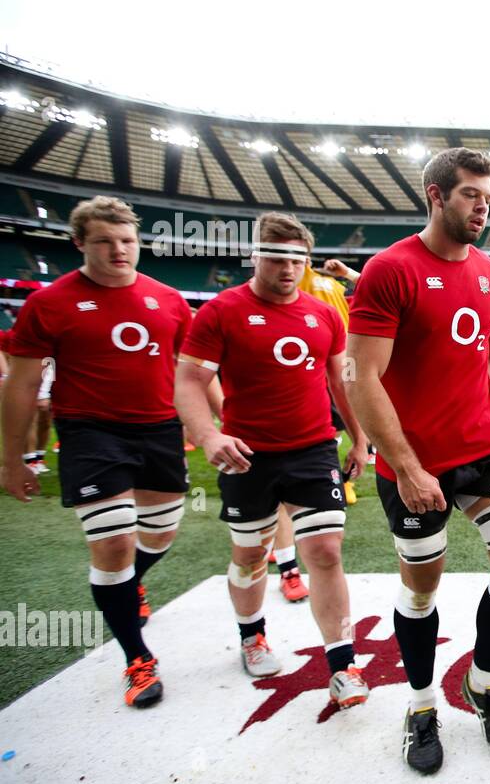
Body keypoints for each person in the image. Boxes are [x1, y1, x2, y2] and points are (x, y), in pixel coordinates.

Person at [346, 147, 490, 774]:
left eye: (487, 197)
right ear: (435, 195)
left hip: (483, 448)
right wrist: (404, 465)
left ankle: (482, 682)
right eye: (469, 195)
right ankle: (422, 703)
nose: (483, 207)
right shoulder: (390, 270)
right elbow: (363, 379)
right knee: (422, 585)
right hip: (414, 462)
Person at [1, 196, 190, 707]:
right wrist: (11, 458)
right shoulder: (50, 303)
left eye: (127, 241)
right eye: (104, 242)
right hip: (89, 433)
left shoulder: (169, 299)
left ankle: (130, 590)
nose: (118, 251)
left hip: (159, 430)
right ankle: (137, 659)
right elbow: (20, 385)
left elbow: (187, 371)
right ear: (79, 243)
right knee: (113, 546)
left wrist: (207, 423)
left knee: (160, 534)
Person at [175, 212, 370, 705]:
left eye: (297, 259)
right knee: (249, 554)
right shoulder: (221, 311)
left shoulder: (324, 313)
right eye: (277, 256)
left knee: (325, 551)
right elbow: (190, 382)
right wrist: (208, 435)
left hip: (313, 448)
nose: (288, 268)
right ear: (255, 255)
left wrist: (360, 438)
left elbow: (340, 381)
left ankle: (343, 665)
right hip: (248, 456)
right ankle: (251, 635)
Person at [268, 252, 363, 601]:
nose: (293, 264)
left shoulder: (332, 288)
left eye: (300, 256)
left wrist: (346, 273)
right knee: (277, 484)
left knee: (333, 435)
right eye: (284, 256)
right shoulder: (293, 283)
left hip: (337, 364)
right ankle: (286, 566)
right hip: (299, 373)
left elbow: (374, 292)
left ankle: (343, 480)